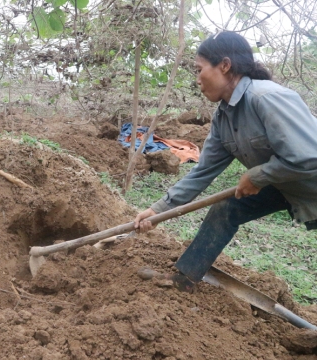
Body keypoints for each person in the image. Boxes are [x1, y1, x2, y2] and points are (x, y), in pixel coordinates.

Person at [134, 31, 317, 291]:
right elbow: (203, 170)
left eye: (199, 70)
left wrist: (257, 176)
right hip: (287, 185)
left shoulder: (266, 98)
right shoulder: (223, 118)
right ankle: (185, 279)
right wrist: (159, 209)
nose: (197, 80)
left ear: (225, 65)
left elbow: (309, 156)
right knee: (226, 209)